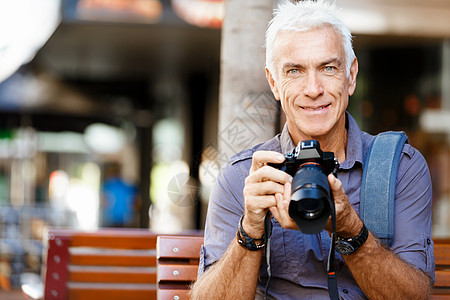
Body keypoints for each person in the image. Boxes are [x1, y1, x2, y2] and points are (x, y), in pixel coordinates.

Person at [190, 1, 434, 299]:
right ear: (274, 83)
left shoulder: (399, 167)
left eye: (328, 67)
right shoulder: (245, 176)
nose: (313, 88)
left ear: (351, 75)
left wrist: (350, 229)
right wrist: (250, 229)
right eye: (294, 71)